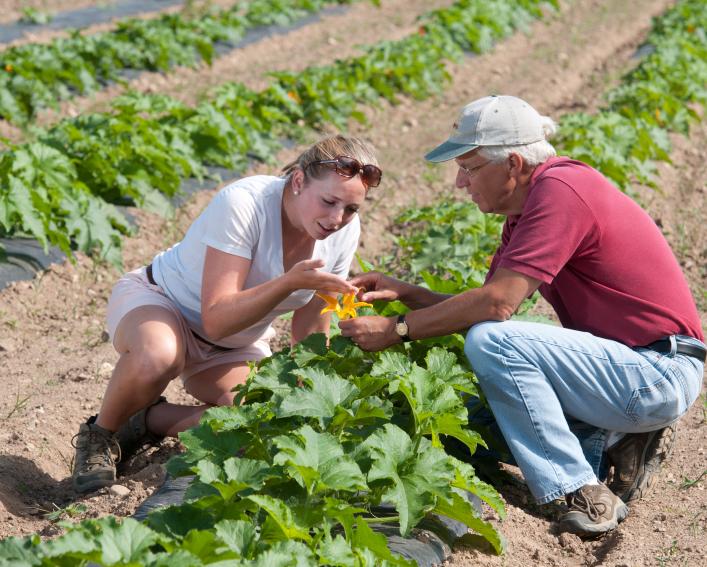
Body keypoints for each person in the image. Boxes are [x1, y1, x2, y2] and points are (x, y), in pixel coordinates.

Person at [339, 95, 705, 537]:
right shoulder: (526, 209)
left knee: (491, 344)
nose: (459, 183)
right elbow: (484, 305)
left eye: (469, 168)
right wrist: (410, 293)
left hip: (656, 372)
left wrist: (396, 330)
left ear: (512, 163)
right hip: (621, 371)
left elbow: (497, 306)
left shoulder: (562, 192)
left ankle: (579, 490)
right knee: (469, 424)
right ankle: (616, 442)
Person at [71, 135, 382, 493]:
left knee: (262, 423)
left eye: (351, 209)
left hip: (236, 342)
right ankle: (100, 433)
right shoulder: (245, 204)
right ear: (298, 181)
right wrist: (286, 283)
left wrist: (310, 394)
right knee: (160, 356)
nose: (337, 218)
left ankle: (148, 419)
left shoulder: (343, 232)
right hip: (164, 304)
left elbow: (312, 320)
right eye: (328, 201)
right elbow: (216, 317)